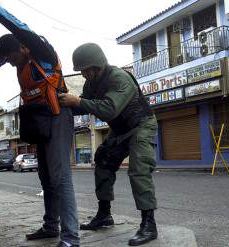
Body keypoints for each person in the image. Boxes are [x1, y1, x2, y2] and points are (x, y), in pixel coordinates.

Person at [0, 1, 79, 246]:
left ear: (22, 47)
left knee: (60, 177)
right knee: (46, 177)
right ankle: (51, 227)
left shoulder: (41, 52)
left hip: (59, 116)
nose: (9, 62)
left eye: (10, 57)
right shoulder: (16, 57)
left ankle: (71, 238)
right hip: (40, 122)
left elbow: (19, 27)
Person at [60, 43, 158, 246]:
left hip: (141, 125)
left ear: (98, 65)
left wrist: (76, 101)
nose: (84, 74)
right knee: (103, 160)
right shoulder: (91, 84)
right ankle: (104, 215)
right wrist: (61, 102)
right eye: (81, 71)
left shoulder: (119, 78)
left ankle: (149, 224)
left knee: (139, 170)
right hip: (120, 130)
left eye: (86, 70)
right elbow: (85, 105)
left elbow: (109, 110)